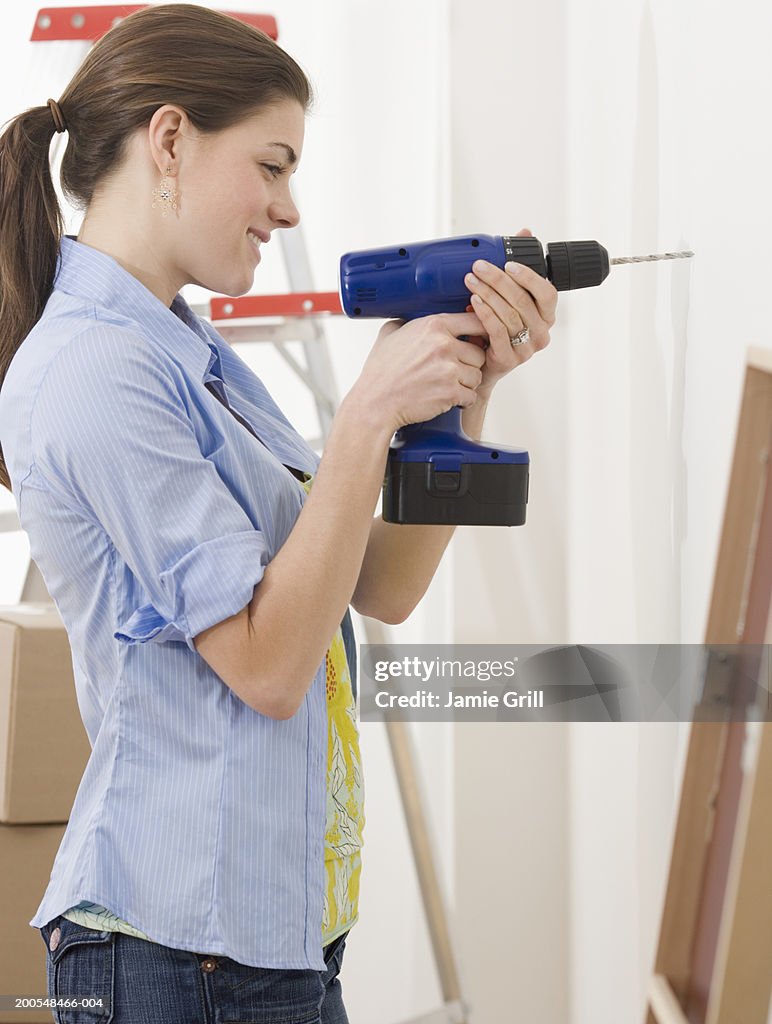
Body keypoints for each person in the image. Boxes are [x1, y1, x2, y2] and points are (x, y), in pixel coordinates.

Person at [0, 4, 557, 1021]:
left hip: (264, 947)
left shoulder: (191, 357)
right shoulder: (93, 372)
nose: (289, 207)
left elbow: (379, 585)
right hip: (173, 956)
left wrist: (461, 393)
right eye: (272, 165)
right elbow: (263, 666)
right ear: (169, 141)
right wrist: (364, 418)